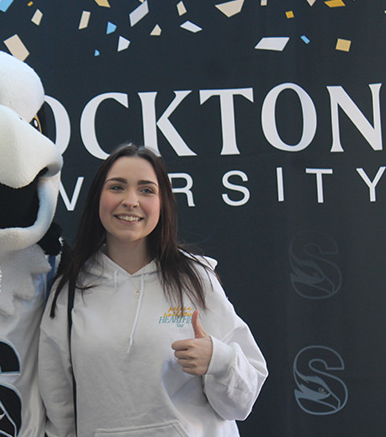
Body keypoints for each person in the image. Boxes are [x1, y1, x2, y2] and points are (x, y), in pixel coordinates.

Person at [38, 143, 267, 437]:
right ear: (98, 197)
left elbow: (241, 404)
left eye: (146, 190)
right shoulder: (69, 291)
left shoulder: (195, 279)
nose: (131, 201)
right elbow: (59, 407)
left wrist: (218, 359)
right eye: (117, 187)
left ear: (163, 203)